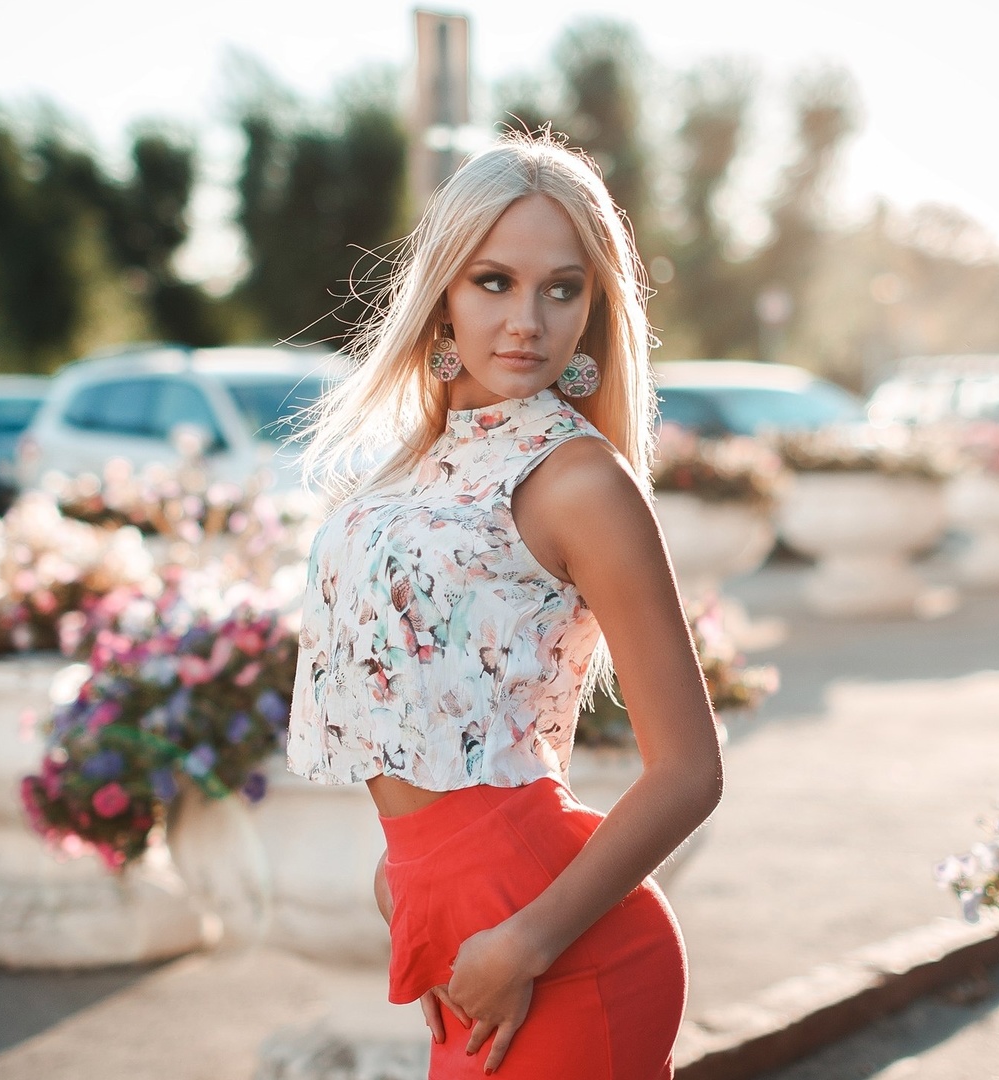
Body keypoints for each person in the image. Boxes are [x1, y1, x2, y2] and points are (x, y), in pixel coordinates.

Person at [289, 133, 724, 1078]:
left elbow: (689, 771)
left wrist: (522, 943)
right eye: (494, 281)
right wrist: (408, 884)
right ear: (443, 289)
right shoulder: (407, 467)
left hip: (558, 945)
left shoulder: (581, 481)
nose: (528, 319)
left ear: (594, 306)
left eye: (561, 288)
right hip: (454, 930)